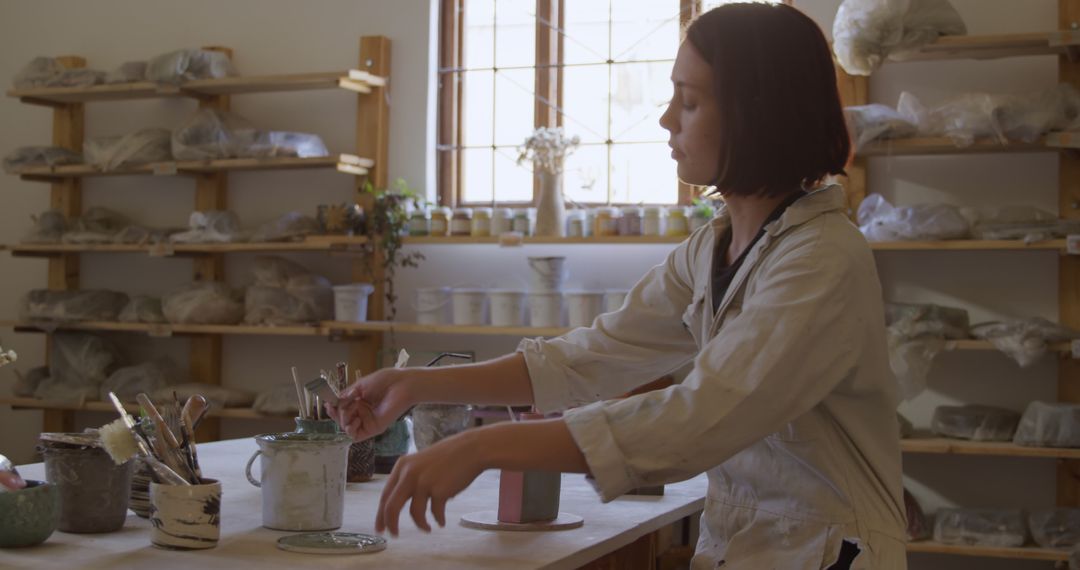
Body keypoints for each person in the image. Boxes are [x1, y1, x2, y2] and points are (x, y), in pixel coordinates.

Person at [329, 3, 906, 568]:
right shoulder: (711, 250)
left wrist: (483, 446)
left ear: (757, 112)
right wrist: (415, 384)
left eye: (689, 101)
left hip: (833, 551)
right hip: (750, 546)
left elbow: (698, 418)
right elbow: (590, 357)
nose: (666, 120)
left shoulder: (822, 258)